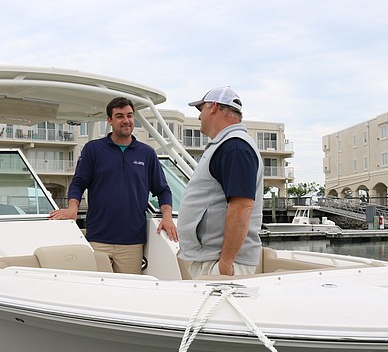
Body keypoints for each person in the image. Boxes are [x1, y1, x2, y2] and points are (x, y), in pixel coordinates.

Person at [49, 97, 177, 274]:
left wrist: (167, 217)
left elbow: (163, 190)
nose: (126, 120)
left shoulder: (147, 153)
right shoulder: (93, 149)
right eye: (119, 116)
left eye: (130, 115)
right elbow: (78, 182)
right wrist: (72, 208)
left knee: (128, 294)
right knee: (97, 293)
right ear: (109, 120)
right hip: (98, 239)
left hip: (132, 242)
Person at [177, 87, 263, 277]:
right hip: (212, 259)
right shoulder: (226, 145)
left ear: (214, 107)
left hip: (222, 264)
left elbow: (241, 207)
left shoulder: (235, 147)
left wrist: (225, 263)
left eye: (201, 110)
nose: (199, 117)